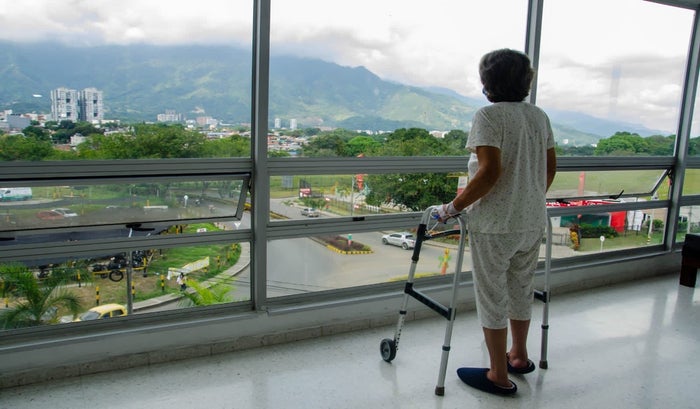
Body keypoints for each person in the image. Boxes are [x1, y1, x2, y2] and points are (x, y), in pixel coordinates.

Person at [436, 48, 557, 396]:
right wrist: (528, 197)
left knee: (492, 297)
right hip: (531, 220)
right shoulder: (539, 116)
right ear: (526, 81)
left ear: (487, 83)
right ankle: (518, 355)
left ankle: (498, 374)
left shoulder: (488, 116)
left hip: (494, 224)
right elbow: (549, 168)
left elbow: (489, 172)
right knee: (521, 288)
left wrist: (452, 208)